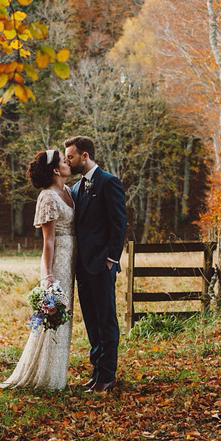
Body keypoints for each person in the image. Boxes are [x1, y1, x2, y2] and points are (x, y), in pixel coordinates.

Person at [0, 149, 75, 390]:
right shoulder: (48, 197)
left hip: (71, 261)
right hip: (56, 263)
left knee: (65, 317)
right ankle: (43, 376)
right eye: (63, 161)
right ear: (56, 170)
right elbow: (48, 241)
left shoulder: (68, 191)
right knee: (52, 317)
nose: (68, 163)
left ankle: (56, 374)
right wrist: (49, 275)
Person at [64, 135, 127, 394]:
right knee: (91, 321)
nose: (67, 161)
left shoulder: (109, 182)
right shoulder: (77, 189)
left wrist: (111, 259)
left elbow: (119, 222)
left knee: (106, 320)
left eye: (71, 156)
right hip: (83, 267)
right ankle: (97, 371)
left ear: (85, 156)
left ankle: (108, 375)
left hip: (102, 265)